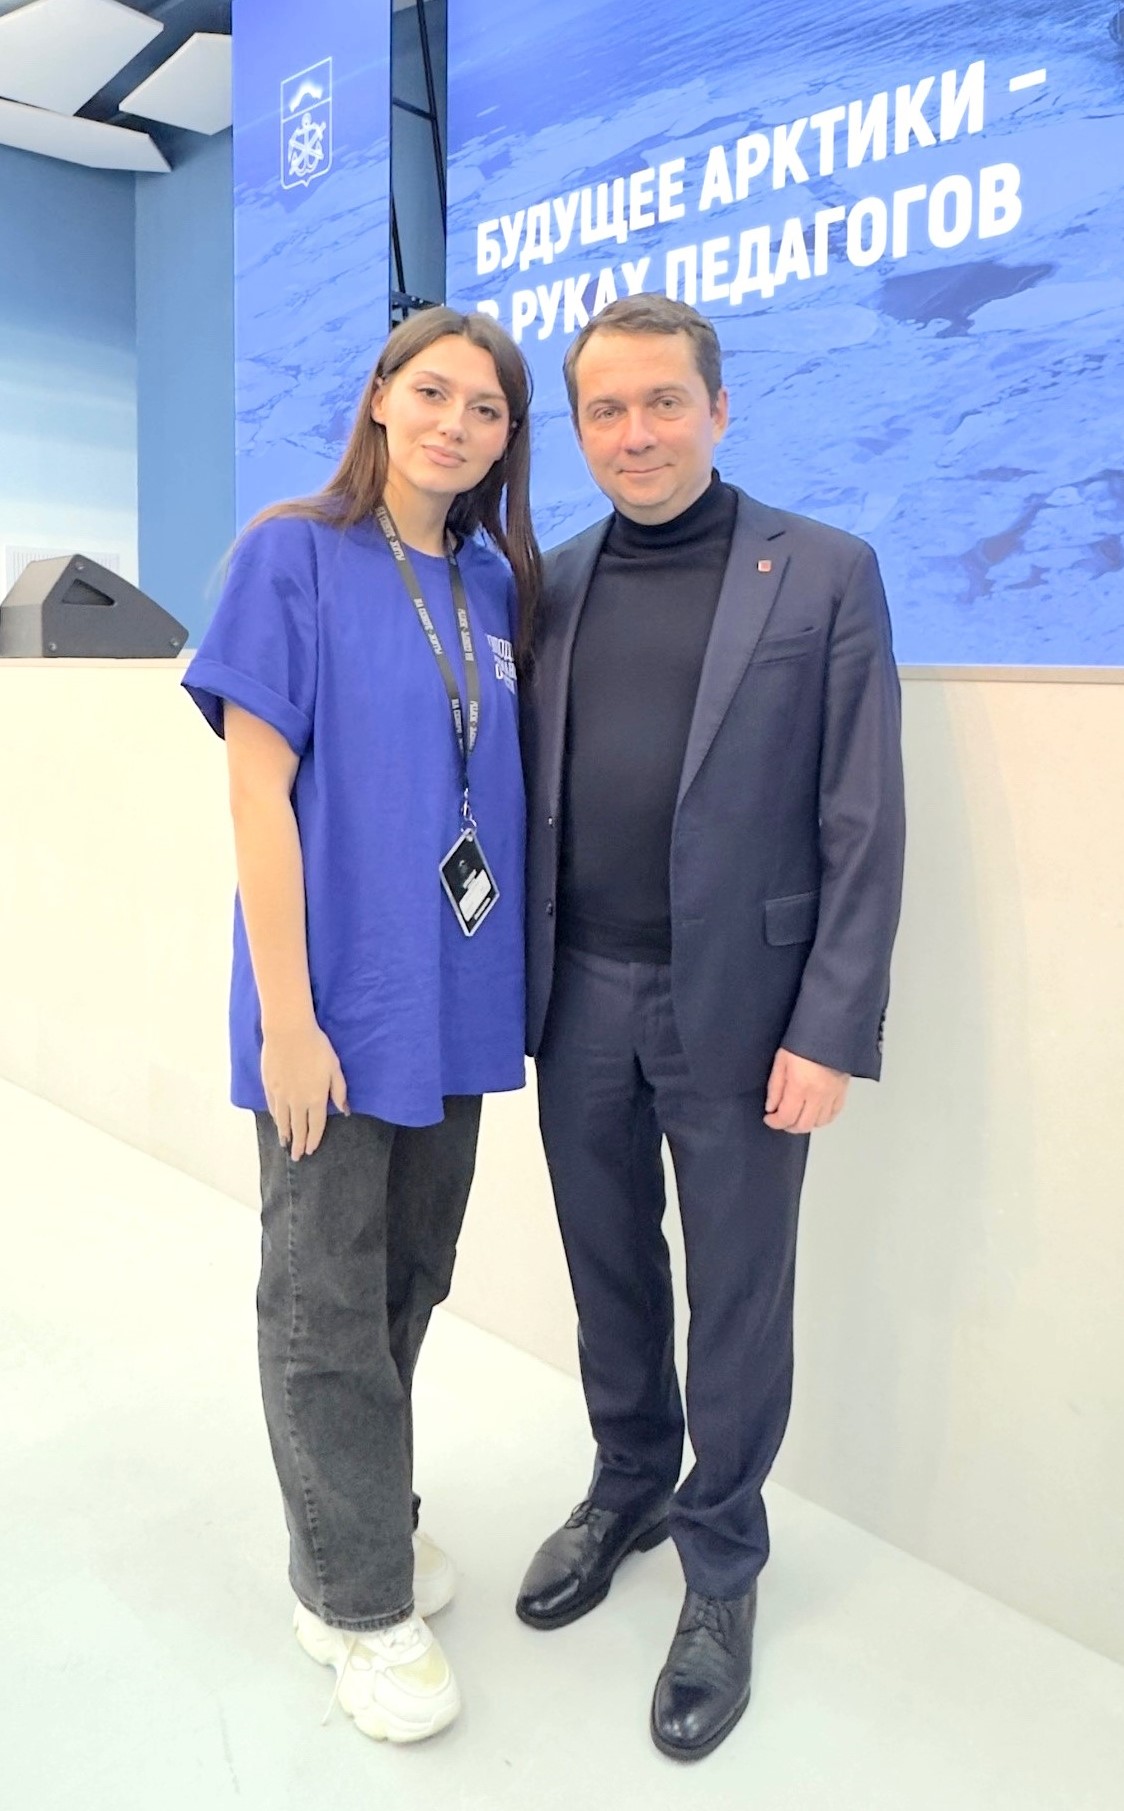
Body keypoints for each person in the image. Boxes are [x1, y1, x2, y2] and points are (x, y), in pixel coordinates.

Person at [517, 296, 905, 1761]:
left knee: (739, 1289)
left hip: (743, 1010)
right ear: (581, 430)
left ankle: (722, 1560)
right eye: (606, 411)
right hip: (579, 993)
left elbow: (864, 821)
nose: (637, 434)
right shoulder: (549, 583)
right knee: (605, 1258)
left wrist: (831, 1025)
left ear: (720, 408)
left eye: (663, 403)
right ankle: (628, 1481)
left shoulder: (827, 573)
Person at [182, 308, 540, 1746]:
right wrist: (288, 1019)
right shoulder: (292, 555)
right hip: (334, 1009)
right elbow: (255, 795)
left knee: (408, 1283)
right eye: (432, 391)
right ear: (382, 399)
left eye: (487, 409)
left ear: (507, 442)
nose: (456, 423)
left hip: (454, 1005)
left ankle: (361, 1512)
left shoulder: (496, 585)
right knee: (321, 1301)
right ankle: (354, 1599)